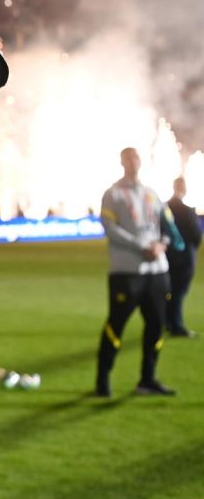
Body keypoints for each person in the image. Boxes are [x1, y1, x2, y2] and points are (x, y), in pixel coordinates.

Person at [95, 148, 177, 397]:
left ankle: (148, 380)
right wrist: (143, 246)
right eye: (128, 158)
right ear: (121, 162)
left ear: (141, 162)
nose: (132, 162)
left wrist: (162, 244)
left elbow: (167, 226)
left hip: (158, 271)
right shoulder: (113, 194)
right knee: (116, 325)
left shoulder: (152, 193)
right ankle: (103, 381)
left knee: (157, 325)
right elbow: (109, 228)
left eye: (136, 157)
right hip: (128, 272)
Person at [165, 176, 200, 338]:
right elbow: (196, 236)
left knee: (169, 291)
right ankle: (176, 326)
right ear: (182, 188)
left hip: (166, 257)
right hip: (185, 258)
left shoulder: (164, 208)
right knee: (178, 293)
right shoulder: (187, 211)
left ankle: (167, 322)